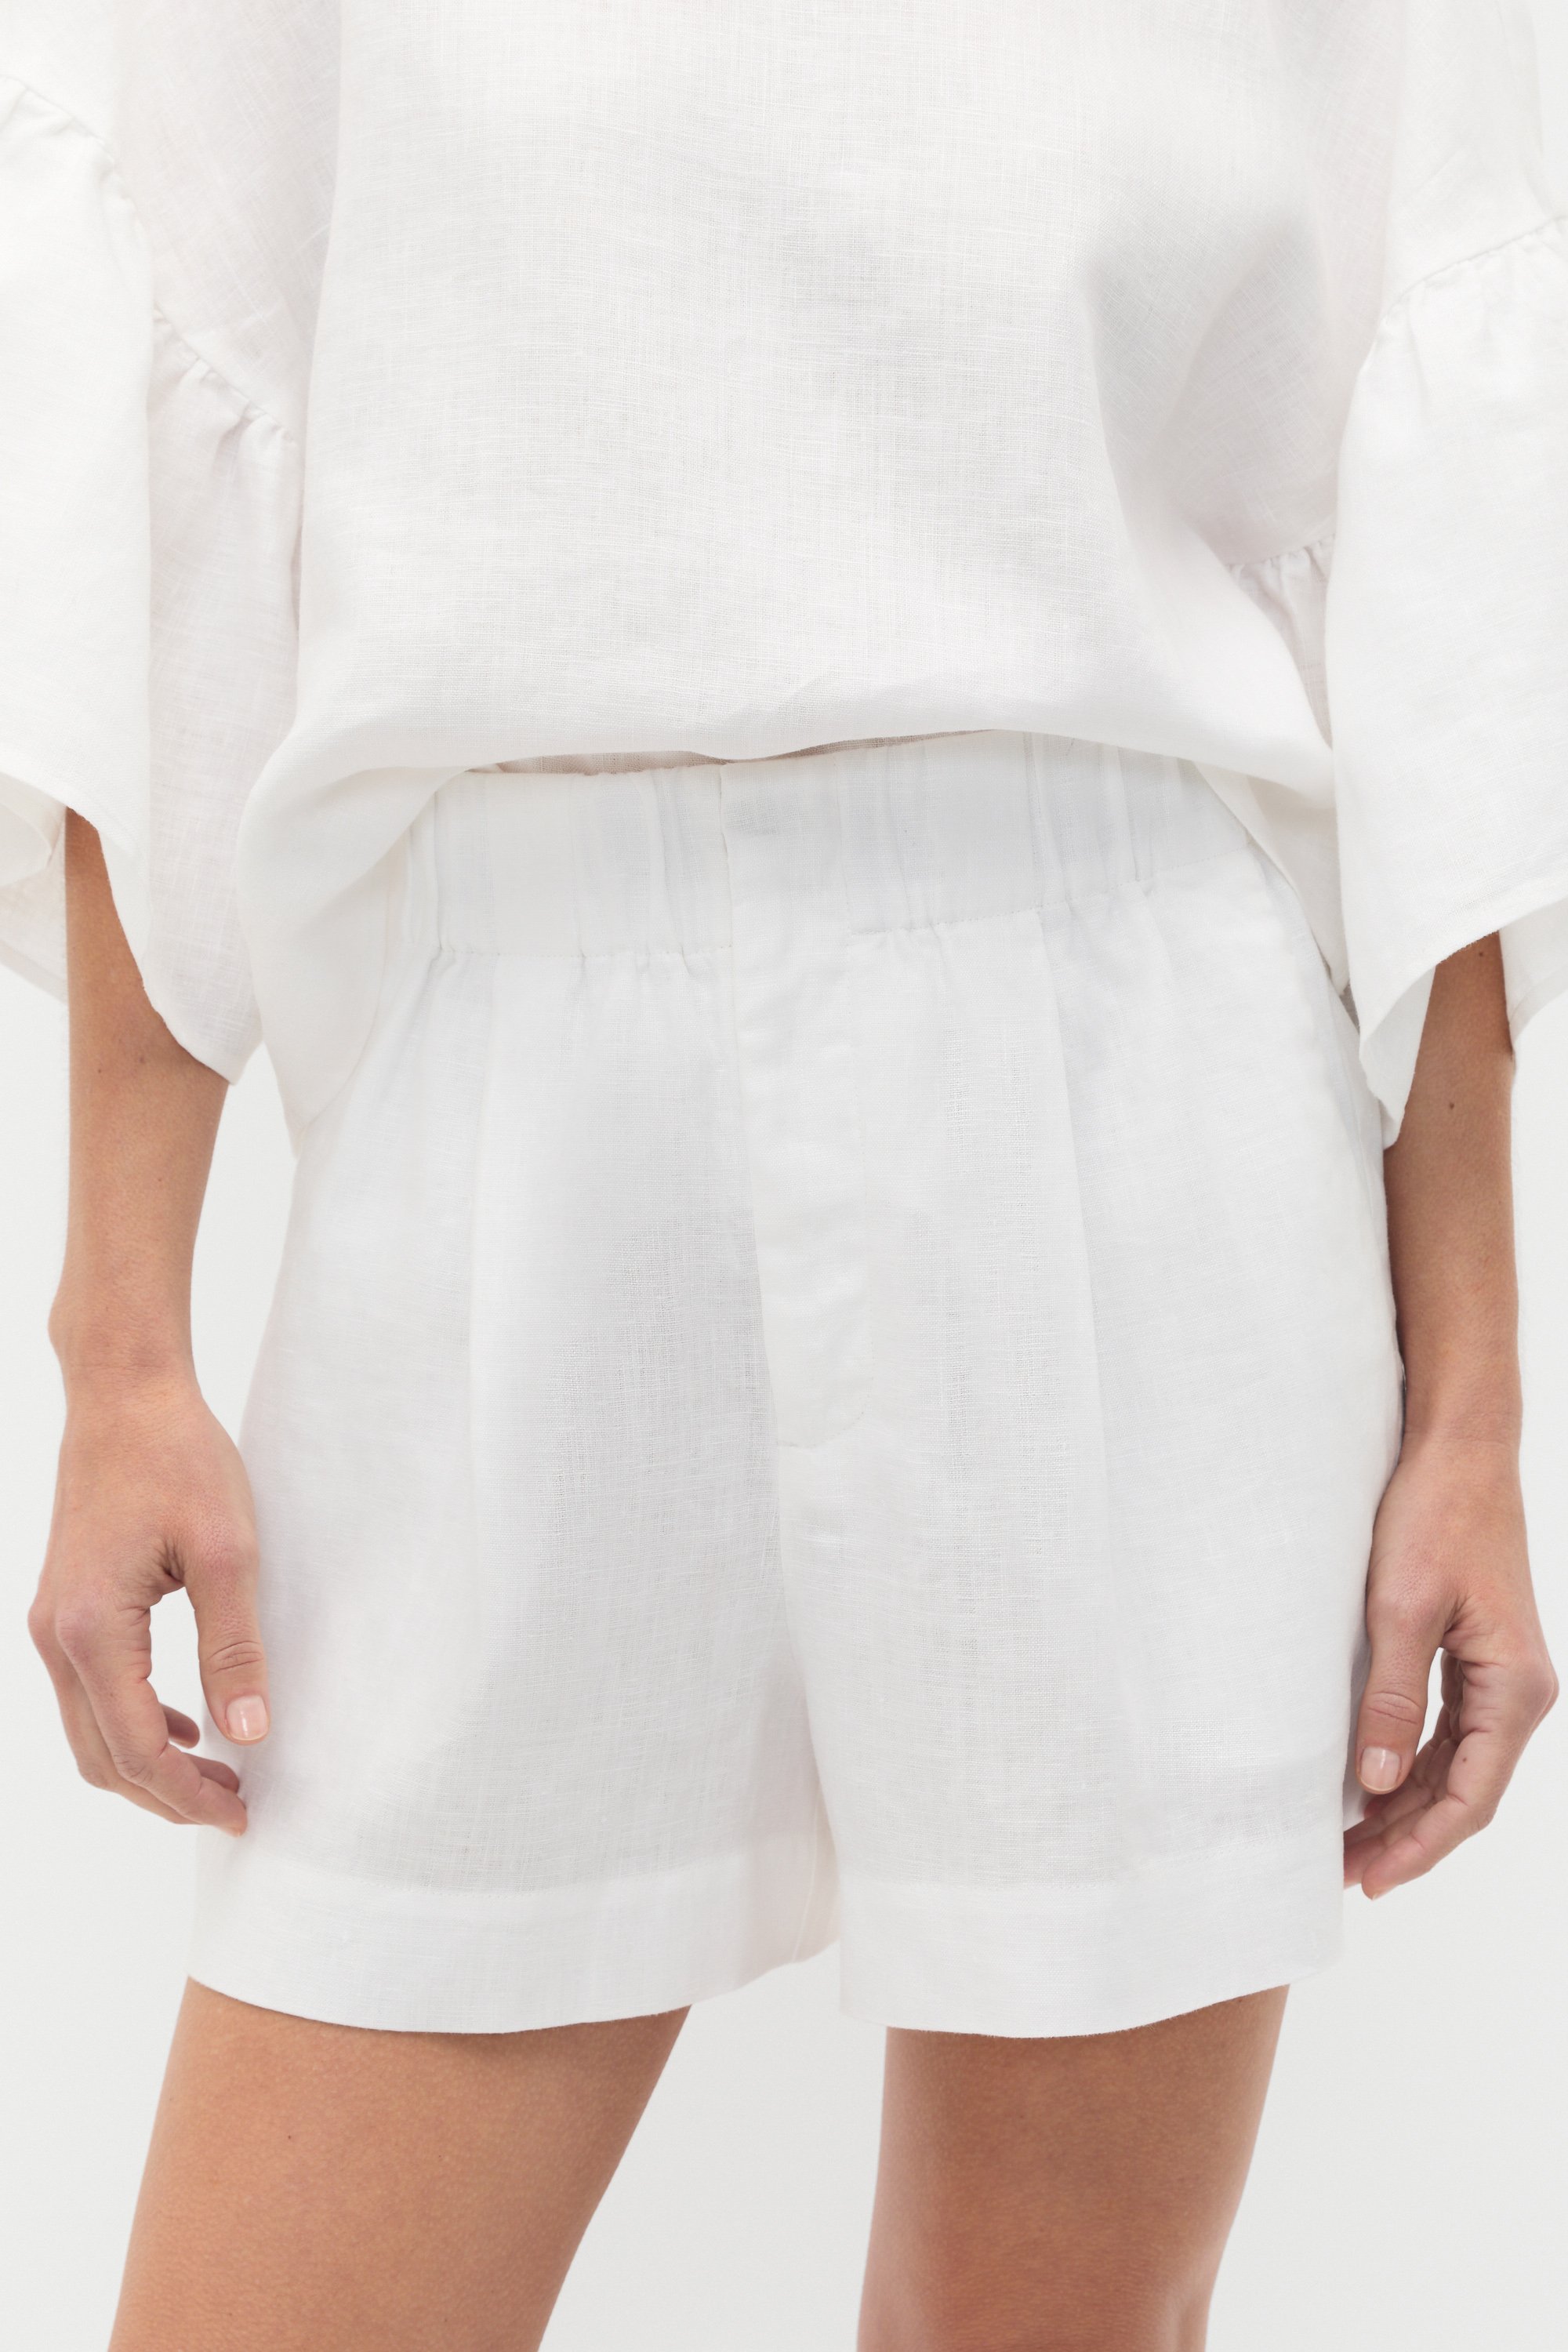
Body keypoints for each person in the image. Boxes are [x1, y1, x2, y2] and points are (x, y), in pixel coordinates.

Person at [3, 3, 1565, 2346]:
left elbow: (1416, 539)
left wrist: (1475, 1406)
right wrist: (117, 1344)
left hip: (1131, 1054)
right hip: (512, 1066)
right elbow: (182, 449)